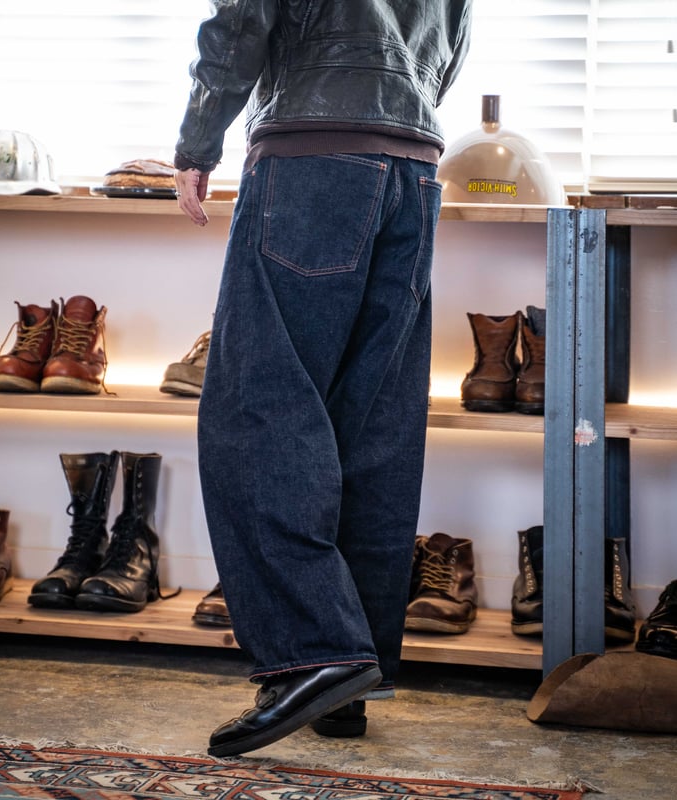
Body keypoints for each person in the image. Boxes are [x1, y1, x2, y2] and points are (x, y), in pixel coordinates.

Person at [175, 0, 473, 758]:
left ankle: (315, 651)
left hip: (312, 154)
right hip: (414, 163)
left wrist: (197, 141)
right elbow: (452, 37)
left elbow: (241, 17)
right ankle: (350, 678)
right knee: (369, 426)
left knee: (258, 409)